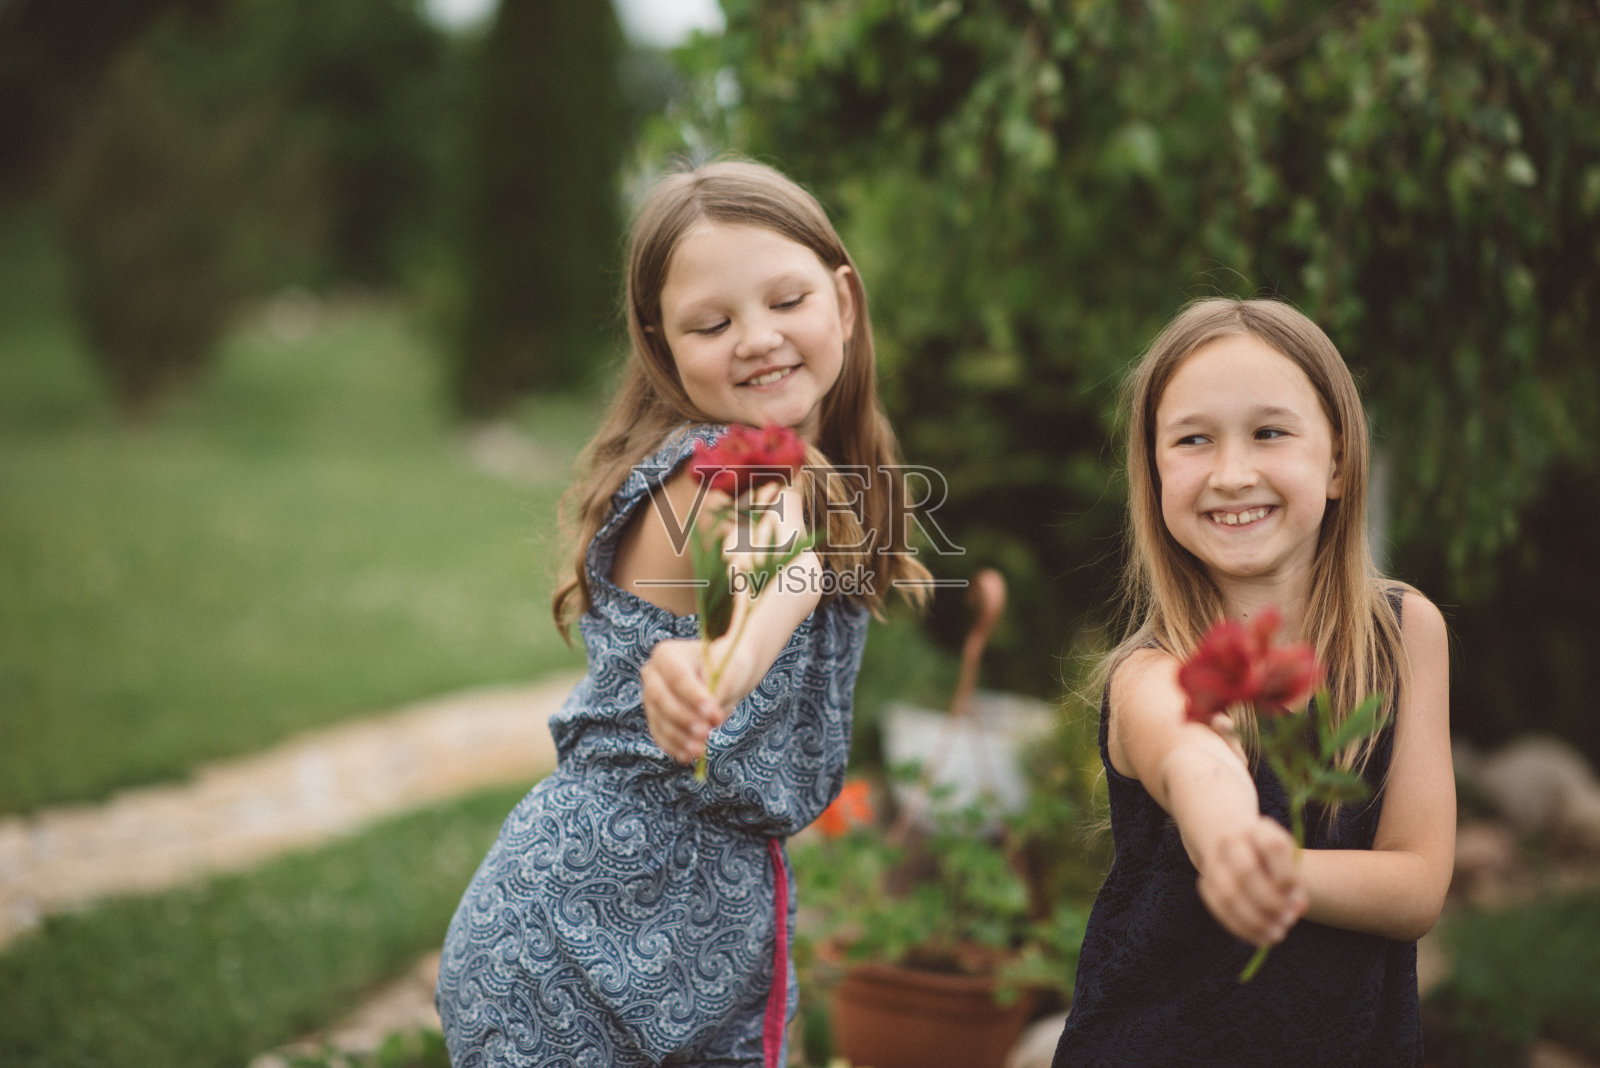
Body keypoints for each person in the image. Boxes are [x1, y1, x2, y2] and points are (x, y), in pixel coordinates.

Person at [436, 158, 930, 1068]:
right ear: (664, 348)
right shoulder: (729, 472)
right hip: (570, 955)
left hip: (696, 934)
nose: (758, 338)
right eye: (713, 323)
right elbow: (775, 568)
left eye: (787, 301)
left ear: (845, 304)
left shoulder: (816, 474)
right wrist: (723, 665)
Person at [1053, 298, 1454, 1066]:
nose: (1232, 474)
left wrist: (1280, 871)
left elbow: (1418, 886)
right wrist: (1230, 838)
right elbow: (1196, 761)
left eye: (1269, 433)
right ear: (1156, 471)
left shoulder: (1406, 637)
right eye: (1194, 440)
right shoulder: (1152, 673)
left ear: (1337, 462)